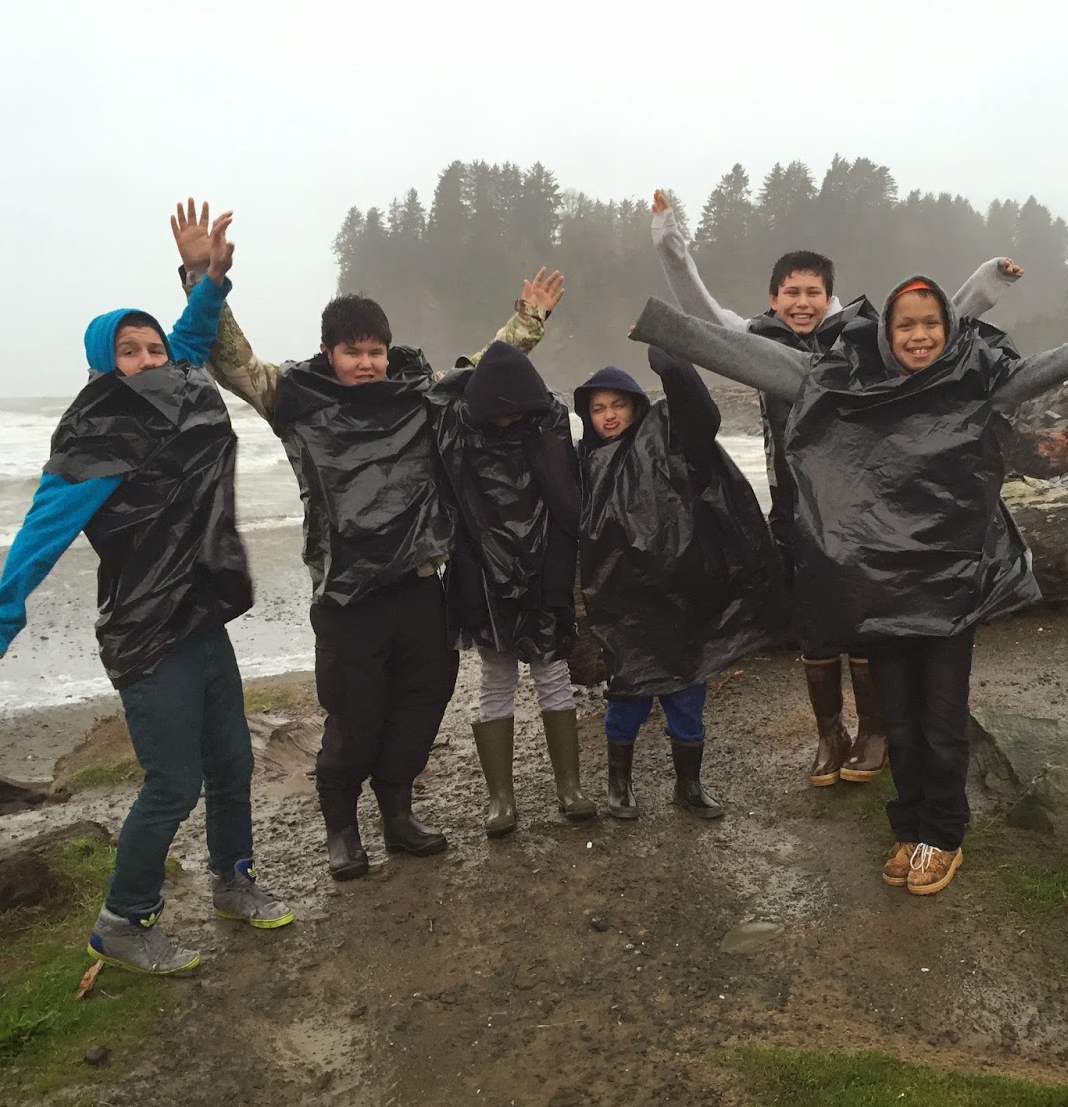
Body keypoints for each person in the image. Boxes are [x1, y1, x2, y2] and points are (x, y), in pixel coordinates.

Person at [628, 280, 1068, 895]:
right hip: (879, 586)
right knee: (899, 721)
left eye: (931, 324)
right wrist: (663, 325)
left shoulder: (980, 376)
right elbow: (747, 355)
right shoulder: (842, 379)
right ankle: (909, 827)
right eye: (906, 326)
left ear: (947, 327)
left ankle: (943, 836)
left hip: (949, 587)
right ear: (887, 333)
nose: (919, 336)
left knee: (940, 722)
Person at [167, 202, 565, 880]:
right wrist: (203, 279)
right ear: (330, 352)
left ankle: (399, 816)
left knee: (419, 711)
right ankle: (343, 832)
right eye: (352, 351)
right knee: (354, 721)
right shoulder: (293, 399)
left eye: (375, 350)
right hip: (349, 597)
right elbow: (230, 364)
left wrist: (528, 319)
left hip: (421, 588)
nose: (366, 362)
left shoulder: (417, 393)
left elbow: (482, 370)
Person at [0, 211, 293, 976]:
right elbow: (42, 529)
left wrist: (208, 283)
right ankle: (122, 920)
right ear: (103, 367)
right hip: (148, 633)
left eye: (152, 346)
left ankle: (232, 881)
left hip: (201, 616)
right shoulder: (99, 436)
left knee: (233, 763)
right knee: (173, 782)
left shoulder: (174, 391)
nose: (147, 357)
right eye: (127, 350)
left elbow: (194, 344)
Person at [650, 189, 1024, 793]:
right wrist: (670, 242)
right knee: (815, 626)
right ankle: (830, 734)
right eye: (791, 293)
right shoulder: (756, 341)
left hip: (864, 510)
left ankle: (874, 730)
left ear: (830, 298)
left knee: (868, 620)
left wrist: (986, 284)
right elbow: (697, 313)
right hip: (796, 509)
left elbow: (933, 324)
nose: (802, 303)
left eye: (813, 293)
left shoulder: (860, 343)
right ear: (774, 299)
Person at [575, 346, 787, 821]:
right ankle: (619, 785)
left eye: (618, 405)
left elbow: (700, 412)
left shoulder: (668, 440)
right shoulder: (583, 461)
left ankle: (688, 786)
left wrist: (669, 356)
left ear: (635, 406)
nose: (609, 416)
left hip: (682, 596)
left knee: (688, 693)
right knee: (627, 695)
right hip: (622, 603)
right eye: (598, 409)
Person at [429, 341, 595, 835]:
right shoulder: (459, 428)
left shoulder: (548, 425)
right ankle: (501, 799)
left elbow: (567, 506)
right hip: (482, 576)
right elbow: (437, 397)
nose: (505, 422)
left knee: (552, 673)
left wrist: (558, 585)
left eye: (514, 412)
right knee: (495, 680)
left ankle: (570, 788)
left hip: (544, 569)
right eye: (495, 414)